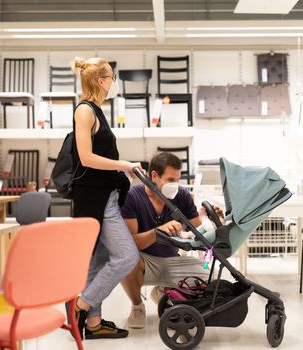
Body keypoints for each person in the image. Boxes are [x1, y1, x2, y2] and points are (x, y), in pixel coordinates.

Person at [70, 57, 141, 340]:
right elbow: (86, 158)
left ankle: (94, 323)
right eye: (111, 77)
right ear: (101, 81)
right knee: (127, 256)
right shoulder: (85, 111)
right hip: (96, 199)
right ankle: (80, 305)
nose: (113, 81)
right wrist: (124, 164)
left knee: (98, 261)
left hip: (104, 195)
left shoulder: (97, 110)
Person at [121, 152, 218, 329]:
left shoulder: (181, 196)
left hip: (173, 260)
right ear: (154, 176)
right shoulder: (132, 197)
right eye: (171, 179)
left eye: (178, 179)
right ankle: (137, 307)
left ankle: (163, 292)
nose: (175, 185)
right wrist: (158, 232)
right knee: (125, 259)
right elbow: (132, 243)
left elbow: (197, 229)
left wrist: (210, 219)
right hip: (144, 262)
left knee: (213, 281)